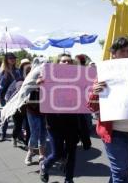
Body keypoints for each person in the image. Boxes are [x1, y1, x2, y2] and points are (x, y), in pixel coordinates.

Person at [87, 37, 128, 183]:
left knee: (122, 170)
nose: (127, 53)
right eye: (123, 51)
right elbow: (92, 106)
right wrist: (95, 92)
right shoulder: (104, 74)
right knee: (120, 174)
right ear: (113, 54)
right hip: (115, 133)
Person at [39, 53, 92, 183]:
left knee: (71, 154)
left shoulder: (78, 80)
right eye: (63, 61)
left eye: (69, 61)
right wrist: (40, 85)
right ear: (58, 63)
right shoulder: (49, 78)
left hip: (72, 122)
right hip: (54, 123)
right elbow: (41, 96)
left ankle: (69, 179)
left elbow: (87, 92)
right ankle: (44, 166)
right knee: (57, 154)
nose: (67, 63)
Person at [0, 52, 21, 141]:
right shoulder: (2, 71)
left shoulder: (17, 70)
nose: (13, 59)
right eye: (10, 58)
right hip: (4, 96)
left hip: (15, 96)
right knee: (5, 116)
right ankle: (3, 134)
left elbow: (20, 82)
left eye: (14, 58)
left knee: (16, 116)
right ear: (6, 60)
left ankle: (17, 134)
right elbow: (1, 84)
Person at [4, 58, 31, 147]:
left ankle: (28, 143)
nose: (27, 69)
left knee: (29, 127)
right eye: (24, 67)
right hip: (17, 108)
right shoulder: (18, 80)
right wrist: (9, 102)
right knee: (18, 126)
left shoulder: (34, 81)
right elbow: (8, 93)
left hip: (30, 108)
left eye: (29, 67)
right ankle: (15, 137)